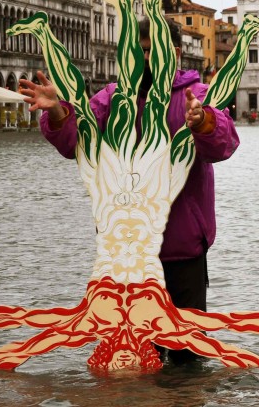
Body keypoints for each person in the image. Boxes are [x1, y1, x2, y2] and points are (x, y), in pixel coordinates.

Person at [19, 18, 239, 366]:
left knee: (188, 364)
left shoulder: (197, 97)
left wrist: (204, 122)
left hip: (182, 253)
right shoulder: (110, 100)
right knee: (132, 364)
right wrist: (59, 111)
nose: (140, 60)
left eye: (150, 52)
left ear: (175, 53)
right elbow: (75, 141)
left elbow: (223, 145)